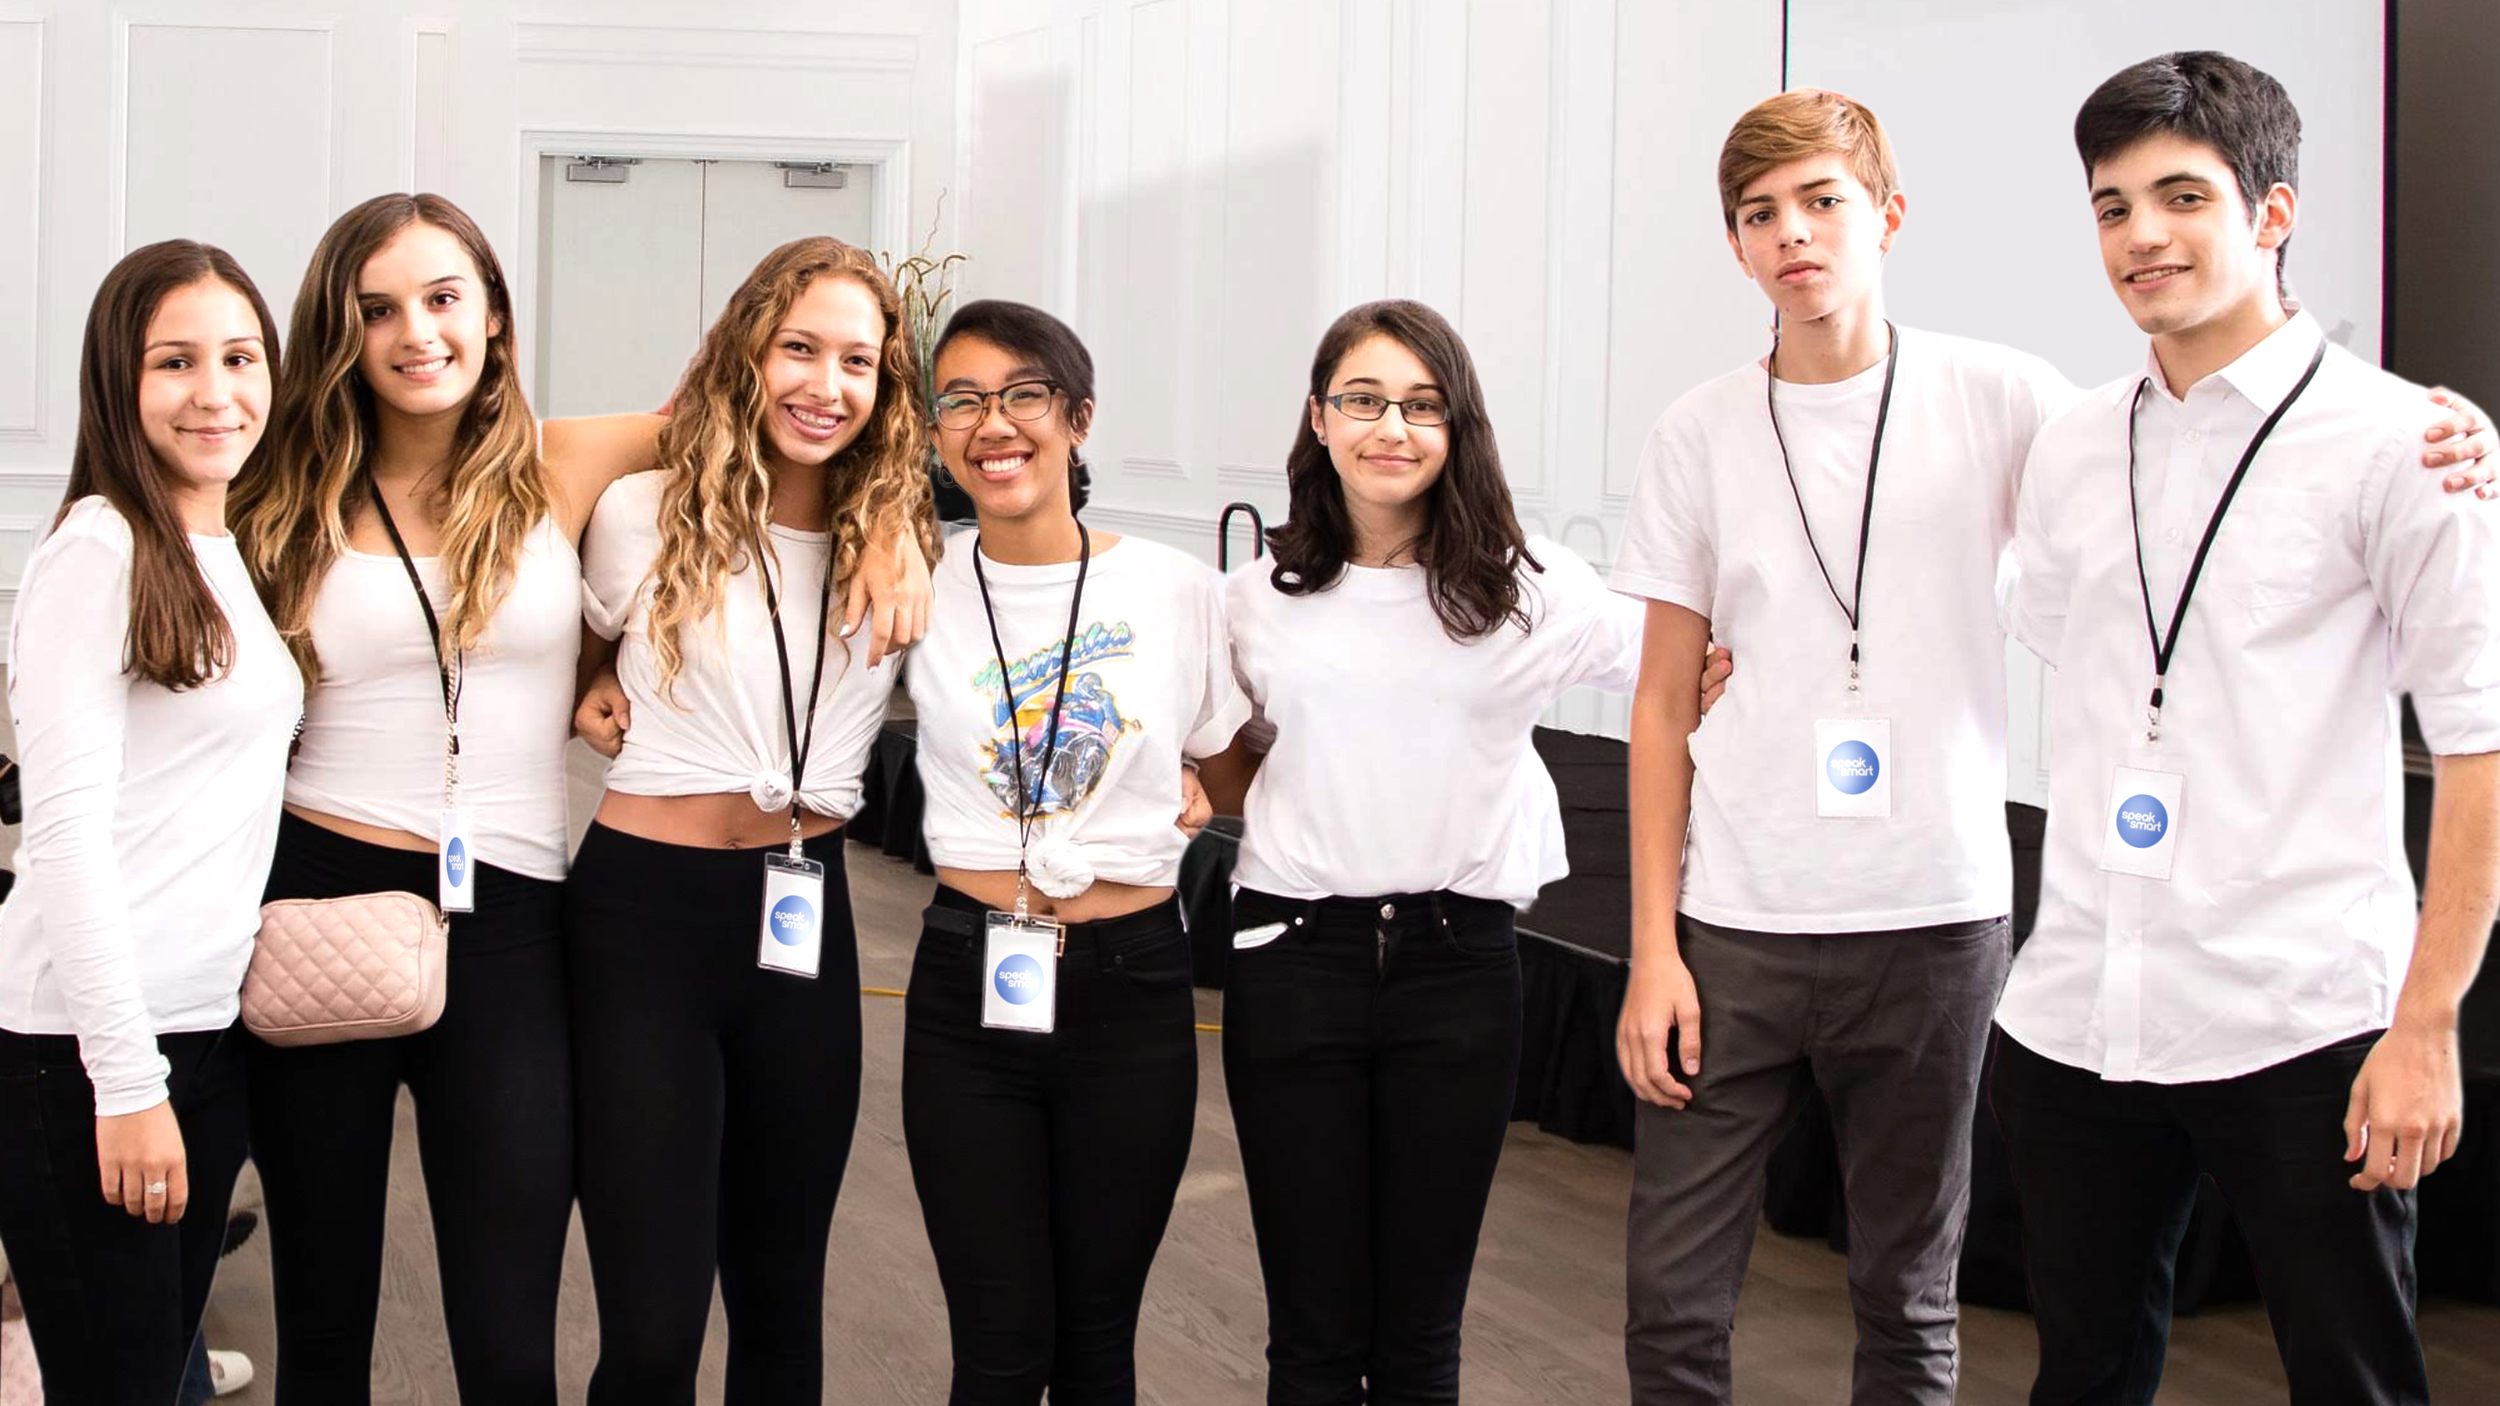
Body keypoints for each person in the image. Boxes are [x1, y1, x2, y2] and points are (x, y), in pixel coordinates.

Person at [1610, 89, 2496, 1406]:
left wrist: (2455, 432)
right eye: (1760, 213)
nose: (1792, 232)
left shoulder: (2036, 403)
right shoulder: (1748, 430)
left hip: (2088, 952)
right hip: (1906, 956)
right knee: (1740, 1313)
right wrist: (1656, 929)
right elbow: (1671, 688)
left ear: (1887, 216)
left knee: (1928, 1301)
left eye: (1823, 201)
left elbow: (2461, 723)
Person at [1994, 51, 2500, 1406]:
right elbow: (2059, 642)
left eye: (2181, 197)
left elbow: (2480, 748)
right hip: (2079, 1010)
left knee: (2356, 1381)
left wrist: (2427, 1022)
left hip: (2304, 1016)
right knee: (2080, 1376)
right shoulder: (2072, 444)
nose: (2140, 236)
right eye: (2111, 207)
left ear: (2273, 212)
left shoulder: (2403, 443)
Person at [1194, 298, 1641, 1404]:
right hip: (1293, 961)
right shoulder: (1254, 598)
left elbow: (1687, 668)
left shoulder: (1529, 588)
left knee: (1420, 1335)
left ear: (1457, 426)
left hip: (1460, 966)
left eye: (1421, 404)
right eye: (1363, 399)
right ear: (1319, 417)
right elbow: (1220, 759)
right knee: (1310, 1331)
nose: (1391, 427)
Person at [568, 235, 937, 1405]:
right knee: (652, 1325)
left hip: (804, 924)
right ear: (744, 354)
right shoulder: (640, 514)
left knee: (781, 1306)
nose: (826, 384)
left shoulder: (902, 547)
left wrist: (898, 514)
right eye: (797, 349)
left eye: (857, 361)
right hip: (644, 923)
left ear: (887, 386)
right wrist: (590, 681)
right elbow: (561, 649)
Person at [901, 298, 1239, 1405]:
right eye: (962, 400)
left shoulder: (1176, 589)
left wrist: (1195, 789)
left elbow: (1231, 755)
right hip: (970, 979)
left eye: (1024, 394)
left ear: (1078, 418)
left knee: (1098, 1345)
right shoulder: (914, 577)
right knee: (997, 1349)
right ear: (935, 431)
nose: (993, 423)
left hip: (1132, 985)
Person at [0, 240, 301, 1404]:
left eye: (239, 357)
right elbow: (64, 836)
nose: (215, 391)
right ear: (117, 381)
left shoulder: (216, 545)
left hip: (200, 1028)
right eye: (175, 361)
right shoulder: (101, 547)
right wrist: (127, 1082)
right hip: (87, 1050)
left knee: (157, 1374)